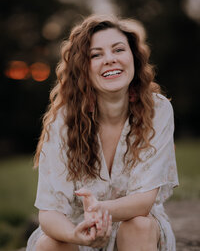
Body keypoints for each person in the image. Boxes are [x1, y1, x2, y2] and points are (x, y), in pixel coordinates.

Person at [26, 14, 179, 251]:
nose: (109, 59)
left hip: (136, 230)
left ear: (134, 58)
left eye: (118, 50)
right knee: (51, 244)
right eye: (96, 55)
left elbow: (144, 202)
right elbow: (49, 212)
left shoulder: (157, 109)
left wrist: (98, 210)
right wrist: (75, 234)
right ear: (82, 69)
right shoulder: (63, 121)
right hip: (80, 230)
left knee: (138, 225)